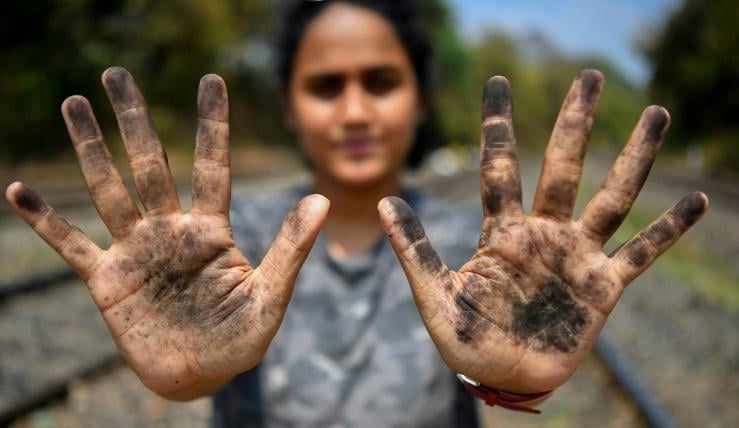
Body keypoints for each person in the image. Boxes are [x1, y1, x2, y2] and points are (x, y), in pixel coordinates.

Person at [4, 0, 708, 427]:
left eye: (380, 81)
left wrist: (507, 380)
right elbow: (201, 364)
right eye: (324, 86)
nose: (353, 111)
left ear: (419, 99)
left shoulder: (479, 246)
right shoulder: (219, 239)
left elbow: (488, 376)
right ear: (288, 103)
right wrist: (195, 374)